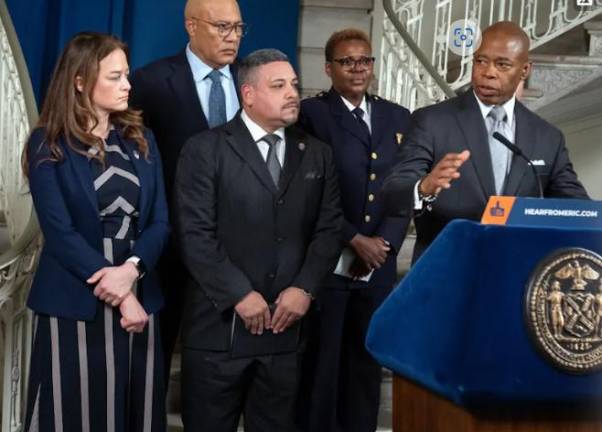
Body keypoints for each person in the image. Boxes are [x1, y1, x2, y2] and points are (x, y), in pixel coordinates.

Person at [174, 48, 342, 432]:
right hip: (218, 331)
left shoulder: (317, 154)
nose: (292, 94)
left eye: (295, 85)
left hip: (286, 331)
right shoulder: (204, 150)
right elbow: (195, 234)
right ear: (248, 94)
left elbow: (329, 230)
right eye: (279, 85)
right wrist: (238, 294)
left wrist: (305, 288)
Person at [23, 32, 169, 431]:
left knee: (138, 412)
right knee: (77, 415)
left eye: (127, 76)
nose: (127, 85)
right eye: (116, 77)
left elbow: (160, 222)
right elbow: (60, 233)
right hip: (75, 300)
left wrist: (132, 271)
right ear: (81, 81)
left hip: (141, 293)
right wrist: (122, 296)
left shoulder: (141, 139)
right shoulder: (47, 143)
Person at [383, 21, 588, 262]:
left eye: (502, 64)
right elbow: (392, 192)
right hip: (444, 268)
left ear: (525, 70)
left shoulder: (547, 136)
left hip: (516, 269)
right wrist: (423, 187)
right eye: (481, 61)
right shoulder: (432, 121)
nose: (488, 72)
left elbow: (578, 209)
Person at [297, 28, 411, 432]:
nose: (358, 68)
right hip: (328, 259)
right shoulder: (313, 114)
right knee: (322, 365)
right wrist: (354, 239)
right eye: (347, 61)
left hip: (376, 265)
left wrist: (386, 244)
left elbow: (405, 187)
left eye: (365, 60)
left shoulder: (396, 116)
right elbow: (307, 190)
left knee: (366, 365)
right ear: (328, 68)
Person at [129, 0, 244, 380]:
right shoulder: (150, 81)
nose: (233, 37)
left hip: (239, 250)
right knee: (156, 358)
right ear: (191, 26)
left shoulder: (252, 80)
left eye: (239, 28)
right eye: (222, 27)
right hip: (170, 248)